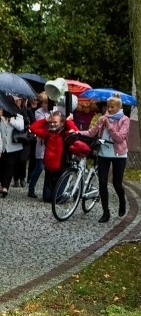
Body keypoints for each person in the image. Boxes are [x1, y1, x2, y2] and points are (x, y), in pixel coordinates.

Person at [78, 94, 129, 223]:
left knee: (117, 184)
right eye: (108, 106)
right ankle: (105, 212)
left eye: (112, 107)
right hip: (103, 154)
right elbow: (91, 133)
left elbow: (119, 138)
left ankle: (122, 201)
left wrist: (109, 126)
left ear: (119, 107)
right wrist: (77, 132)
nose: (109, 109)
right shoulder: (102, 119)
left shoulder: (125, 120)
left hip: (119, 154)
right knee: (102, 182)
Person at [29, 111, 77, 204]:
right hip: (49, 171)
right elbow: (33, 128)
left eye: (55, 122)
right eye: (51, 122)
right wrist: (45, 120)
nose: (52, 124)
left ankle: (72, 190)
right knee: (47, 199)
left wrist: (68, 121)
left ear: (61, 123)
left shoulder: (65, 134)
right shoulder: (47, 134)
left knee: (57, 200)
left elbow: (76, 133)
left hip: (62, 171)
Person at [0, 97, 25, 197]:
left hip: (14, 145)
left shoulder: (18, 114)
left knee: (10, 165)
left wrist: (10, 119)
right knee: (1, 165)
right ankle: (3, 183)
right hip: (3, 145)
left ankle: (5, 187)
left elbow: (21, 126)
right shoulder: (0, 115)